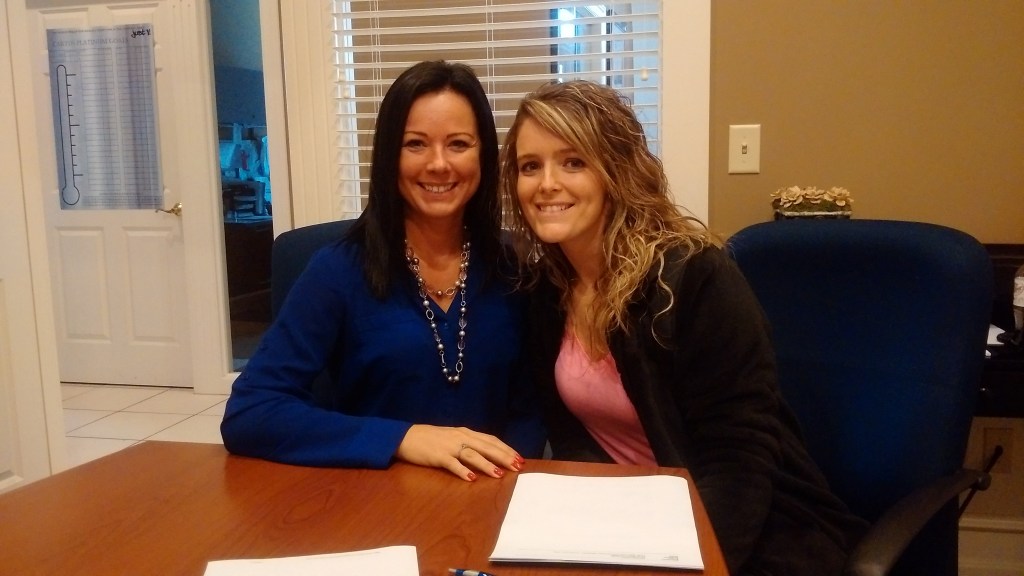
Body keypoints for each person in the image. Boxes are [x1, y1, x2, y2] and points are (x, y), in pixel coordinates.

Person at [500, 80, 867, 575]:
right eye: (530, 166)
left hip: (751, 532)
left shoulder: (696, 277)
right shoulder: (546, 290)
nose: (546, 183)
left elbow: (738, 463)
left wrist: (686, 565)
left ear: (616, 171)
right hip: (626, 530)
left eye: (573, 162)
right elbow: (572, 438)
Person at [221, 61, 545, 481]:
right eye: (415, 144)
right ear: (389, 155)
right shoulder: (336, 271)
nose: (438, 164)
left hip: (493, 492)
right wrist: (403, 438)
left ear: (483, 154)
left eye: (458, 144)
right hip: (376, 495)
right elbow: (250, 412)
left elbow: (531, 410)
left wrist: (511, 477)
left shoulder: (515, 270)